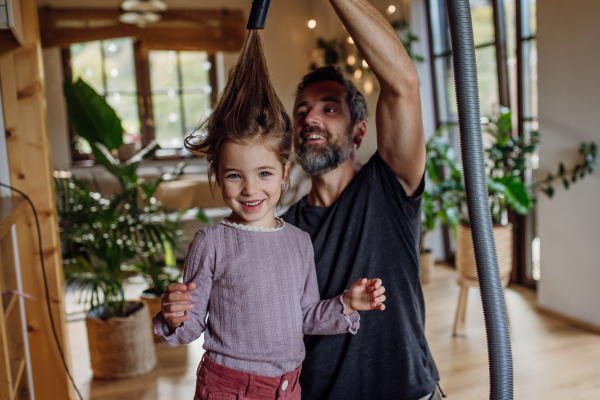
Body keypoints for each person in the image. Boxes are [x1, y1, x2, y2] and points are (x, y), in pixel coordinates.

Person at [152, 29, 386, 400]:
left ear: (283, 173)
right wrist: (173, 315)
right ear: (218, 175)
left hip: (289, 388)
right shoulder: (210, 243)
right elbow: (189, 329)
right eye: (234, 175)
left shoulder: (298, 241)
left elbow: (306, 315)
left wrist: (345, 303)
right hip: (227, 388)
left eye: (263, 174)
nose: (249, 189)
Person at [282, 1, 441, 399]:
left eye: (329, 108)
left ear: (359, 132)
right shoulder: (282, 229)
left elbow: (403, 82)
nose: (310, 119)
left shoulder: (389, 186)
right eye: (302, 112)